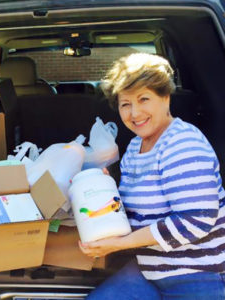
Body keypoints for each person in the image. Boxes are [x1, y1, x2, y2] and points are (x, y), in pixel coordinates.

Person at [79, 53, 225, 299]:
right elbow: (134, 210)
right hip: (152, 270)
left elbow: (196, 220)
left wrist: (119, 244)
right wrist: (102, 189)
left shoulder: (183, 143)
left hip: (198, 274)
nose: (134, 113)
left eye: (143, 99)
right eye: (125, 104)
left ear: (165, 98)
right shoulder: (136, 147)